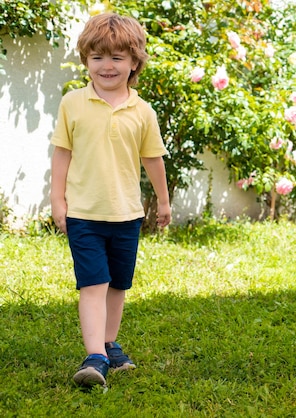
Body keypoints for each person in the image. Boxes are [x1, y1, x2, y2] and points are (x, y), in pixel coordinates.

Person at [50, 13, 171, 388]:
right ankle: (95, 357)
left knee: (118, 284)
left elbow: (153, 159)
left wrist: (163, 202)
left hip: (127, 215)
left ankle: (108, 343)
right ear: (86, 58)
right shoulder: (73, 103)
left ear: (134, 62)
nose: (107, 66)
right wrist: (58, 201)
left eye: (117, 58)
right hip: (84, 213)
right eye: (98, 57)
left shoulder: (142, 111)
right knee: (93, 284)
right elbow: (61, 155)